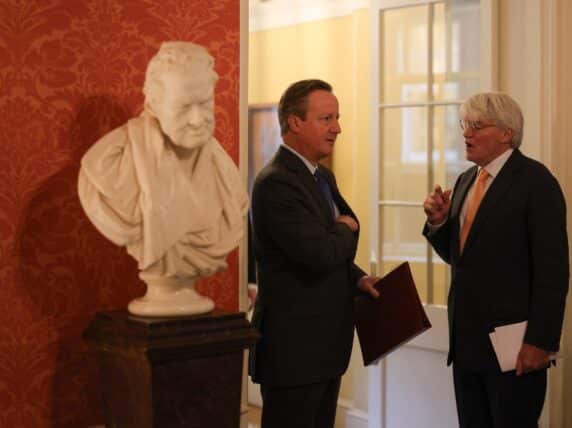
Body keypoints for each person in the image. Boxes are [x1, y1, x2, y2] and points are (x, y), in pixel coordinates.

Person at [422, 92, 569, 427]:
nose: (466, 134)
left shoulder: (536, 182)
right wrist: (439, 221)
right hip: (466, 345)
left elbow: (553, 272)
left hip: (515, 349)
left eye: (476, 125)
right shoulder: (464, 181)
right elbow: (462, 258)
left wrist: (540, 342)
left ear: (506, 134)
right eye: (464, 125)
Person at [78, 41, 248, 315]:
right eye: (183, 107)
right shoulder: (105, 168)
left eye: (205, 104)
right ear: (154, 102)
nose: (197, 119)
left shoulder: (227, 174)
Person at [248, 79, 379, 428]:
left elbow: (328, 253)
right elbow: (319, 253)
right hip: (294, 351)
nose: (338, 128)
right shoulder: (276, 182)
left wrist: (358, 278)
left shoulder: (323, 176)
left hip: (325, 348)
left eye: (337, 118)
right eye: (326, 118)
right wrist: (344, 228)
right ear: (295, 122)